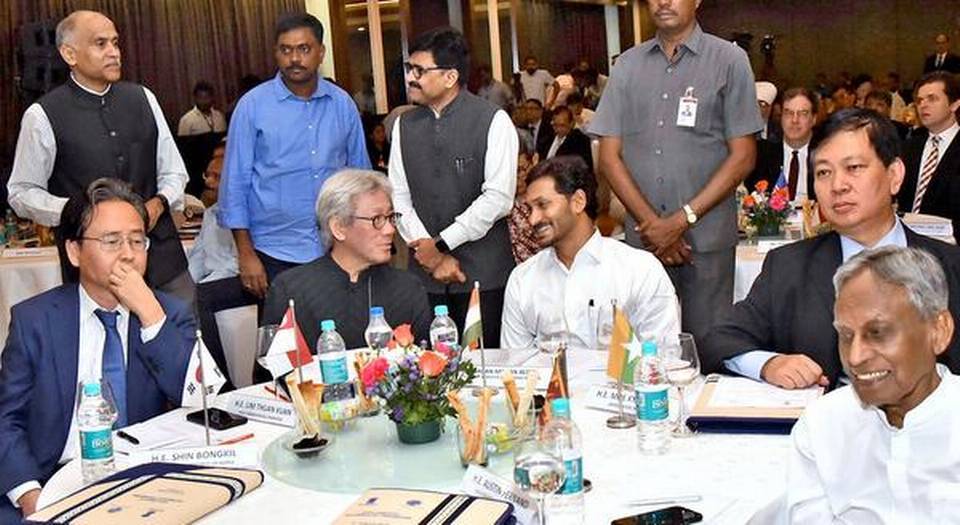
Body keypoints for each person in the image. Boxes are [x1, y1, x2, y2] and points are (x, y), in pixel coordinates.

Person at [702, 108, 960, 389]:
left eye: (854, 168)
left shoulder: (950, 265)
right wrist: (769, 364)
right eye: (824, 172)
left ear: (894, 175)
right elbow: (719, 341)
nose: (838, 186)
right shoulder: (789, 266)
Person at [0, 178, 195, 521]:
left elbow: (199, 403)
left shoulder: (168, 314)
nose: (128, 254)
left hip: (144, 483)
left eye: (137, 240)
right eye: (111, 241)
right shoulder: (35, 320)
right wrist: (31, 496)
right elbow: (6, 418)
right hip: (50, 480)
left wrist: (151, 315)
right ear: (74, 252)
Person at [591, 0, 762, 345]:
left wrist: (680, 221)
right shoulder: (627, 65)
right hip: (644, 243)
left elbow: (743, 157)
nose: (663, 2)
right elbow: (609, 157)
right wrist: (655, 226)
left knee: (710, 348)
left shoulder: (729, 60)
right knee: (642, 352)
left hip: (708, 239)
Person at [7, 10, 194, 308]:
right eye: (100, 44)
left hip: (162, 259)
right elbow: (21, 192)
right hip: (95, 271)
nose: (113, 52)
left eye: (115, 43)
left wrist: (159, 203)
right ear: (69, 54)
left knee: (183, 333)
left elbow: (174, 171)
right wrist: (76, 211)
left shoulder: (143, 98)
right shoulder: (43, 115)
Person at [785, 246, 960, 522]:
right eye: (846, 335)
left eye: (877, 333)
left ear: (939, 331)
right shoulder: (823, 424)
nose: (855, 357)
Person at [218, 13, 370, 300]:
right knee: (283, 329)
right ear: (276, 53)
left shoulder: (342, 105)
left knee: (343, 327)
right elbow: (234, 184)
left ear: (320, 52)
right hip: (273, 253)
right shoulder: (252, 107)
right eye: (285, 50)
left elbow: (362, 180)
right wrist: (246, 253)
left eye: (304, 49)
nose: (294, 59)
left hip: (337, 247)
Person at [389, 27, 518, 347]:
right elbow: (398, 197)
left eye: (420, 70)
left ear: (450, 77)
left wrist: (442, 244)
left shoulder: (493, 120)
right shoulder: (404, 125)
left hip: (483, 276)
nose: (410, 78)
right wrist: (429, 254)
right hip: (424, 276)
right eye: (409, 68)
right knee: (427, 366)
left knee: (485, 365)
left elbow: (498, 198)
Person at [501, 156, 680, 351]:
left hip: (624, 373)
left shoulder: (639, 270)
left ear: (578, 201)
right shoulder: (523, 279)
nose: (533, 219)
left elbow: (664, 356)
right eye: (529, 209)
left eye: (543, 205)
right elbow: (516, 362)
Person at [263, 170, 431, 350]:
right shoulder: (291, 290)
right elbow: (271, 366)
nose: (390, 230)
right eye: (377, 219)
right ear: (338, 228)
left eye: (391, 217)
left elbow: (425, 361)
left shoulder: (408, 288)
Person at [896, 71, 960, 243]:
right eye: (919, 100)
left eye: (932, 99)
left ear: (954, 104)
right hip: (906, 242)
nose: (923, 105)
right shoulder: (909, 147)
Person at [747, 88, 818, 202]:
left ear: (814, 119)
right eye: (788, 113)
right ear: (781, 117)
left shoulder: (824, 156)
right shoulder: (760, 155)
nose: (794, 120)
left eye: (803, 113)